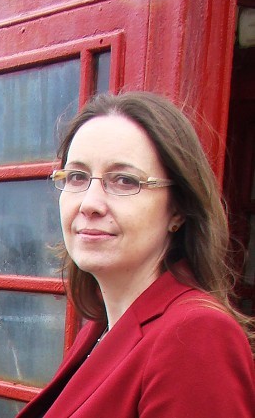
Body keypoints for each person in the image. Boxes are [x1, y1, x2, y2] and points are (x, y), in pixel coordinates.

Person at [16, 92, 255, 417]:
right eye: (77, 177)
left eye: (125, 181)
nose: (89, 203)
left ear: (178, 209)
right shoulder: (100, 327)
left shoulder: (197, 336)